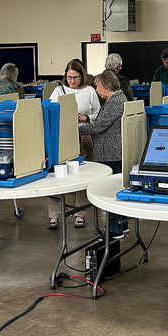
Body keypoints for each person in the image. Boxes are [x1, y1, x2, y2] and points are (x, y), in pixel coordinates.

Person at [47, 59, 100, 230]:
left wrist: (85, 118)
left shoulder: (90, 91)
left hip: (83, 134)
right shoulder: (58, 90)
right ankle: (53, 216)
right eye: (69, 77)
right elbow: (49, 109)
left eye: (75, 77)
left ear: (82, 76)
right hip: (62, 135)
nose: (72, 81)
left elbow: (98, 113)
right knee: (56, 174)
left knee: (82, 174)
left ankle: (80, 213)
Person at [78, 70, 129, 236]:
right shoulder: (119, 98)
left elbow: (99, 126)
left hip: (111, 154)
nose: (97, 90)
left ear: (108, 86)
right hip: (116, 152)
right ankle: (123, 225)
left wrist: (77, 129)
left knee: (111, 192)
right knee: (119, 190)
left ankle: (114, 230)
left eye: (98, 87)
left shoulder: (115, 102)